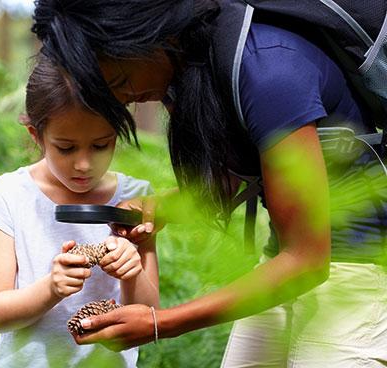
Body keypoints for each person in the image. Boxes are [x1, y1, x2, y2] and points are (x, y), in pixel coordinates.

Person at [30, 1, 387, 367]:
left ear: (151, 38)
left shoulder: (267, 69)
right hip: (282, 257)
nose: (123, 99)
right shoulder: (189, 69)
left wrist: (159, 323)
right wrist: (161, 208)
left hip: (356, 274)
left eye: (121, 82)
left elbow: (308, 259)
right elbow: (233, 178)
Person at [0, 53, 159, 368]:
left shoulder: (135, 198)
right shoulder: (7, 196)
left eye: (101, 145)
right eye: (66, 148)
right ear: (37, 136)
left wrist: (132, 272)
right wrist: (51, 287)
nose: (84, 164)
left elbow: (149, 316)